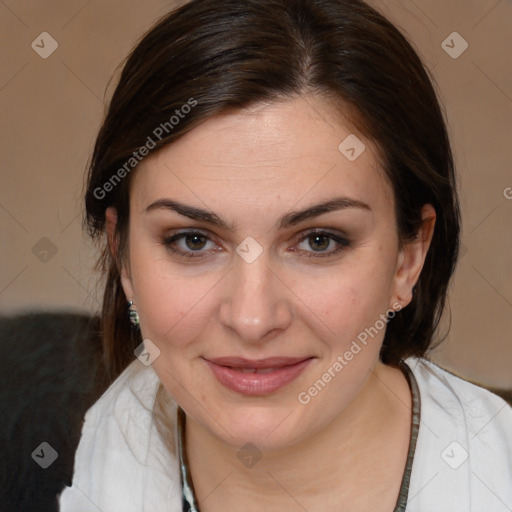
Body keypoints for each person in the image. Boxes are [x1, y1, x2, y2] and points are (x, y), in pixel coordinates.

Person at [59, 0, 512, 510]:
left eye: (320, 240)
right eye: (193, 240)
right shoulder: (109, 440)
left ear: (409, 256)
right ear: (123, 259)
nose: (253, 319)